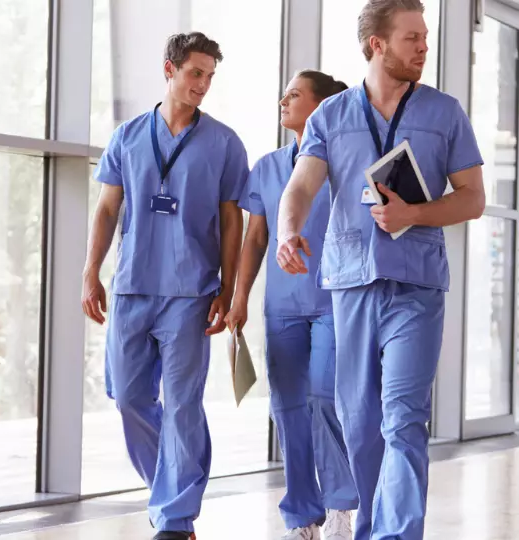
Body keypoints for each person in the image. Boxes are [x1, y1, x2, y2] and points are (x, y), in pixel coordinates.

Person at [274, 2, 486, 538]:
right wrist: (287, 229)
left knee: (403, 419)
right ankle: (372, 526)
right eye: (412, 37)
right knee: (360, 423)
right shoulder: (331, 116)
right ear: (378, 45)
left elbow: (473, 200)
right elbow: (301, 185)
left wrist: (413, 213)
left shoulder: (445, 113)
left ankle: (398, 534)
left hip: (416, 287)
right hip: (351, 284)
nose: (423, 47)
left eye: (425, 36)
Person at [81, 31, 248, 540]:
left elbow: (232, 219)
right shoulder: (128, 136)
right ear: (169, 69)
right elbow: (109, 207)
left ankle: (176, 519)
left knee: (181, 404)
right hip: (132, 286)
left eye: (210, 76)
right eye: (195, 73)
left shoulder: (223, 142)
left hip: (191, 293)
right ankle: (167, 492)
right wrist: (91, 270)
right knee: (129, 396)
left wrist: (227, 286)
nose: (203, 84)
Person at [225, 70, 358, 540]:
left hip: (333, 302)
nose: (284, 99)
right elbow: (255, 237)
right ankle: (302, 517)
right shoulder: (266, 166)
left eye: (295, 94)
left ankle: (341, 504)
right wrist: (239, 300)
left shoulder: (344, 163)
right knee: (287, 408)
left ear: (323, 107)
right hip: (281, 307)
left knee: (324, 397)